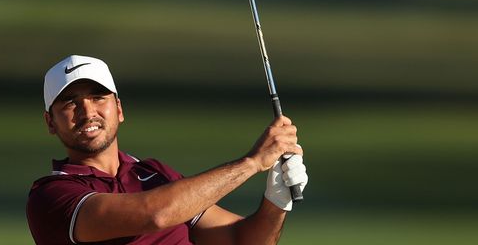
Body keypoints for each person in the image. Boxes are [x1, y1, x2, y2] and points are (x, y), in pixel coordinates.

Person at [27, 54, 308, 245]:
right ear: (50, 122)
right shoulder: (52, 195)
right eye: (70, 103)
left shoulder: (154, 173)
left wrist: (276, 202)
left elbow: (240, 239)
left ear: (119, 109)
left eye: (98, 97)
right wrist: (251, 163)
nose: (88, 112)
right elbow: (155, 214)